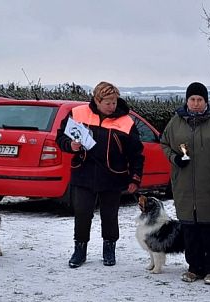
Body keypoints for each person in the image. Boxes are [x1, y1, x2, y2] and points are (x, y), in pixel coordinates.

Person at [56, 82, 144, 268]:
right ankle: (79, 250)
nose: (112, 106)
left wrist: (135, 177)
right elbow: (61, 138)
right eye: (108, 103)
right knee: (82, 213)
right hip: (83, 173)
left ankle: (109, 249)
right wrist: (70, 146)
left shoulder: (126, 121)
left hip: (113, 175)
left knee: (110, 215)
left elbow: (136, 153)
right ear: (97, 100)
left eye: (114, 102)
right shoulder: (78, 113)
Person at [160, 82, 210, 285]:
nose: (195, 103)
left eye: (199, 99)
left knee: (209, 230)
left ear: (206, 101)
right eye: (192, 99)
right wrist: (175, 158)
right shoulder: (175, 122)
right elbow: (164, 143)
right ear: (186, 100)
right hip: (184, 185)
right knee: (190, 230)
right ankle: (194, 268)